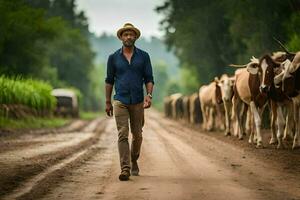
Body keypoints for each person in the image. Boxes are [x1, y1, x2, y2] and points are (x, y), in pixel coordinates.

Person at [105, 23, 154, 181]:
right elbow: (109, 80)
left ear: (135, 37)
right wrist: (107, 101)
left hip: (138, 101)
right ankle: (125, 168)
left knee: (137, 135)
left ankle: (133, 160)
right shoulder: (113, 58)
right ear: (121, 37)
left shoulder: (144, 56)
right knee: (122, 134)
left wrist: (149, 95)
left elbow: (149, 79)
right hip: (120, 100)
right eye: (125, 34)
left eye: (131, 34)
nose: (128, 37)